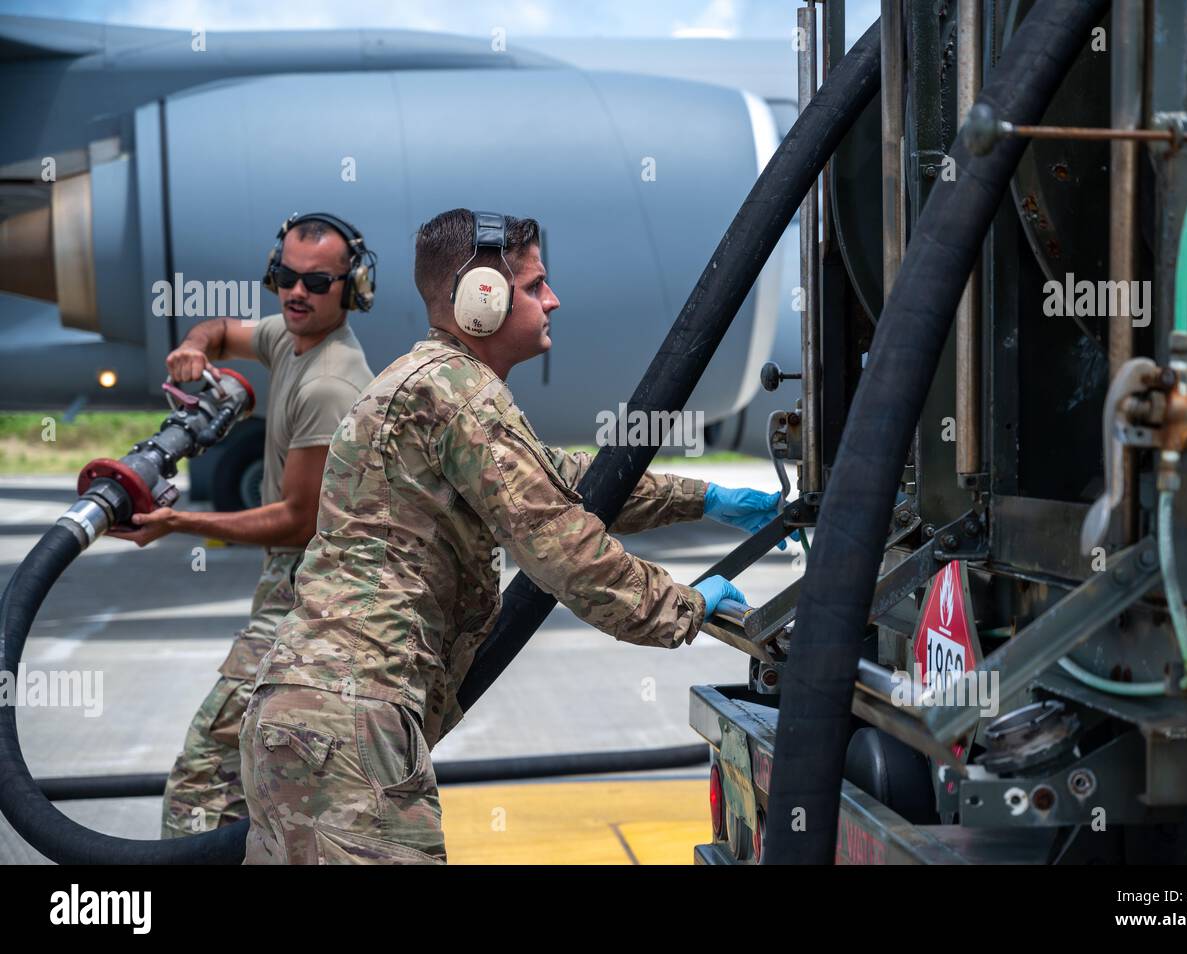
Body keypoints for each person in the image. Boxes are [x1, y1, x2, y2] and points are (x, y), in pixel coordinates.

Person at [239, 208, 781, 863]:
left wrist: (711, 500)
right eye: (534, 285)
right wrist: (684, 606)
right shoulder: (461, 396)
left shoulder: (432, 384)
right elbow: (565, 551)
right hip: (351, 722)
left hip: (308, 716)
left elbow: (562, 483)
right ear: (482, 300)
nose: (552, 299)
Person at [110, 213, 376, 838]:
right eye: (284, 276)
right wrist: (196, 346)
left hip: (307, 591)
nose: (296, 293)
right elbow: (226, 331)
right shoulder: (290, 336)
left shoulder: (331, 383)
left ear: (352, 288)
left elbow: (294, 520)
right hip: (297, 585)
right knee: (284, 786)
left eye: (316, 282)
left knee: (205, 777)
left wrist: (178, 522)